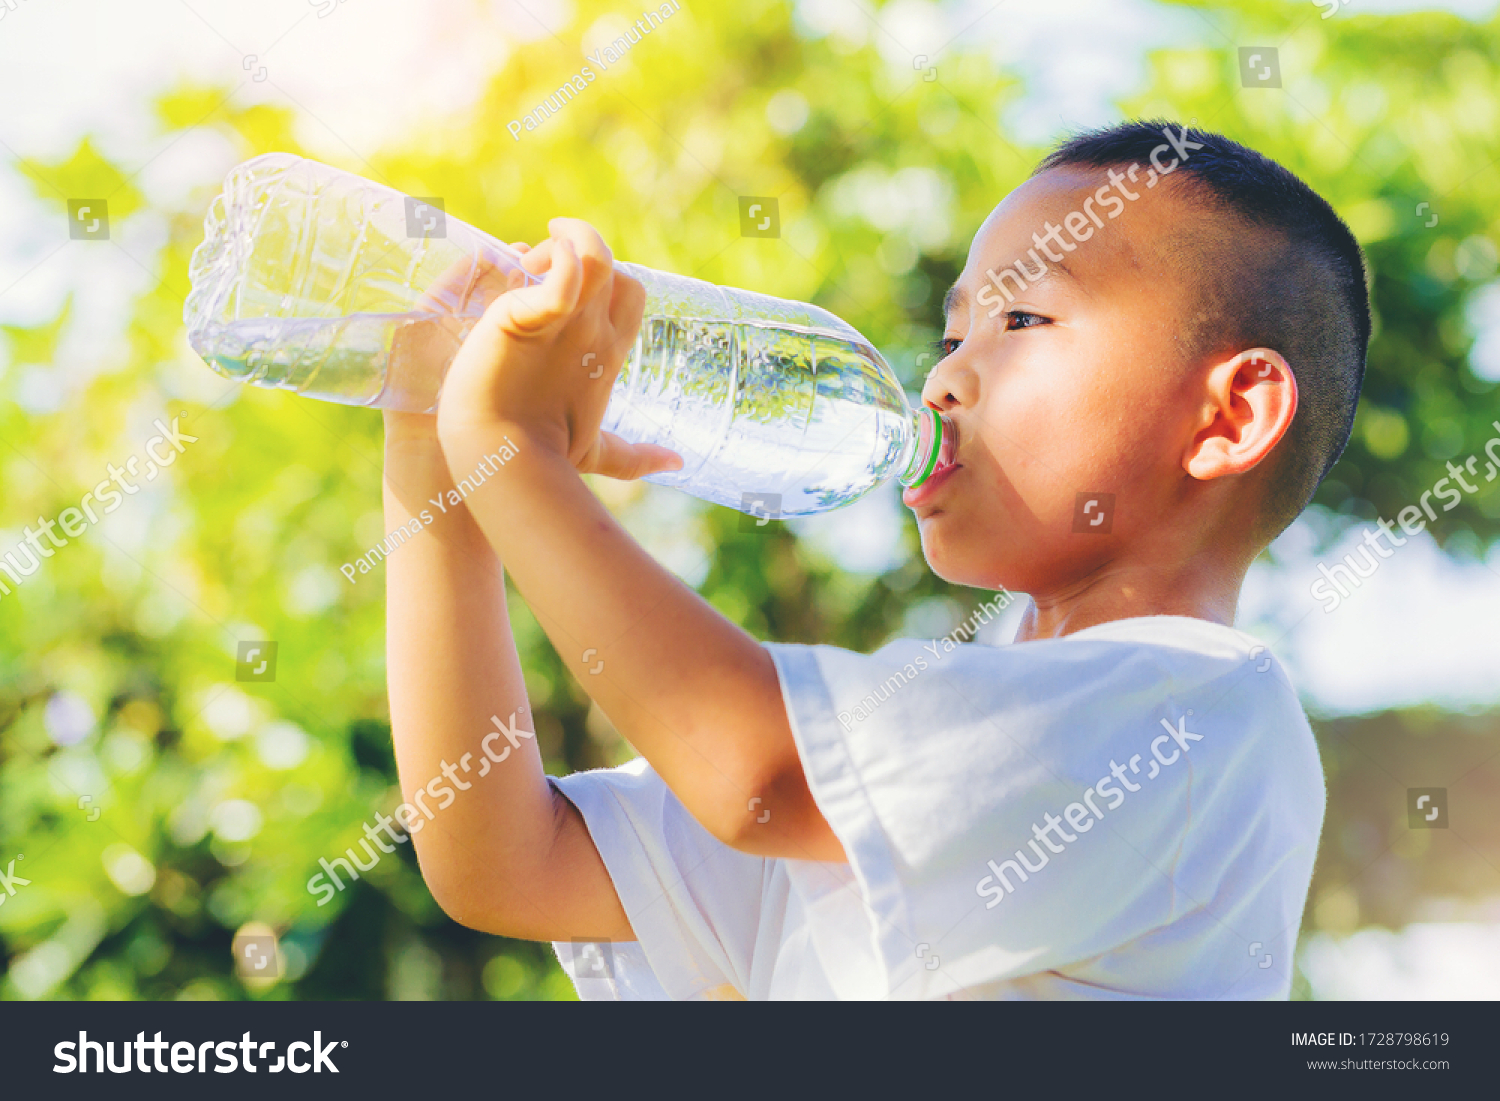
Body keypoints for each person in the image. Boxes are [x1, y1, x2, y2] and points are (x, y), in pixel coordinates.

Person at [380, 120, 1367, 999]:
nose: (943, 376)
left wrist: (513, 448)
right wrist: (438, 451)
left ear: (1231, 415)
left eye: (1021, 320)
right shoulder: (928, 749)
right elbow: (510, 865)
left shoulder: (1203, 714)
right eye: (950, 332)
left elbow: (756, 775)